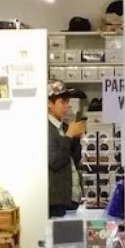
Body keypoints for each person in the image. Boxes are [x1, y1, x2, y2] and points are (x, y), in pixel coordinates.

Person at [46, 82, 85, 217]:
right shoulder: (46, 129)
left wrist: (76, 138)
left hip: (71, 198)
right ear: (49, 104)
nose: (67, 106)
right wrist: (69, 136)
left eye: (67, 101)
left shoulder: (64, 127)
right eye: (62, 101)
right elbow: (55, 161)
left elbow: (75, 159)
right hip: (57, 202)